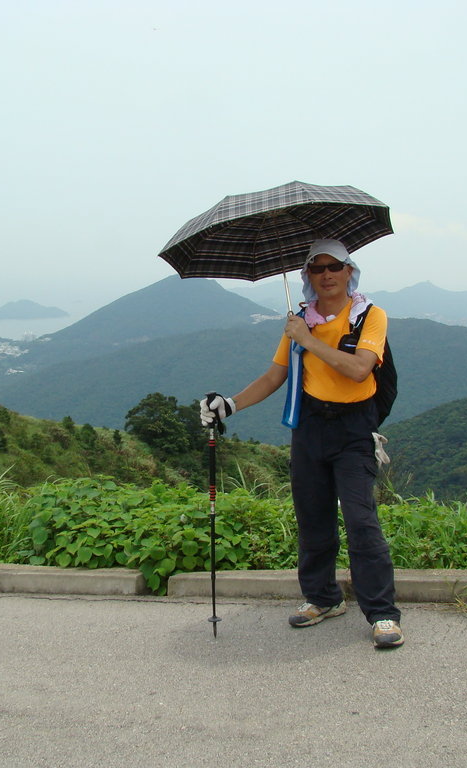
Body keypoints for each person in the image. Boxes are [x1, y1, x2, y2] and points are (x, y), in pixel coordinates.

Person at [200, 239, 403, 648]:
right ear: (307, 275)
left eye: (334, 266)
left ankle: (382, 613)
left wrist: (308, 339)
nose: (326, 274)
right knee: (312, 518)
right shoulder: (300, 320)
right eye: (317, 267)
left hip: (353, 430)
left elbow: (360, 370)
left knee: (361, 522)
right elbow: (275, 376)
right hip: (309, 427)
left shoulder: (369, 316)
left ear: (349, 271)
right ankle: (323, 598)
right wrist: (230, 405)